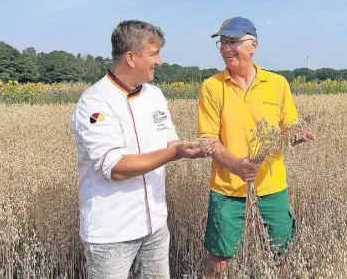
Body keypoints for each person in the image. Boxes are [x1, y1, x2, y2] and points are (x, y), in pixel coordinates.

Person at [70, 19, 215, 279]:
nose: (159, 61)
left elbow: (168, 141)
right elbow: (115, 168)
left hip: (156, 227)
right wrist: (174, 153)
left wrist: (188, 147)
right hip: (111, 234)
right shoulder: (95, 102)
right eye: (153, 53)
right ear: (131, 57)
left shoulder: (154, 95)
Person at [197, 16, 317, 278]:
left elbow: (288, 129)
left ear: (254, 45)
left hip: (272, 187)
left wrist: (296, 136)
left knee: (281, 253)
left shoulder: (277, 84)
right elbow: (207, 140)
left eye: (233, 42)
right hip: (227, 189)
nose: (226, 49)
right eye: (223, 43)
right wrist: (236, 166)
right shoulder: (212, 87)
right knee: (219, 259)